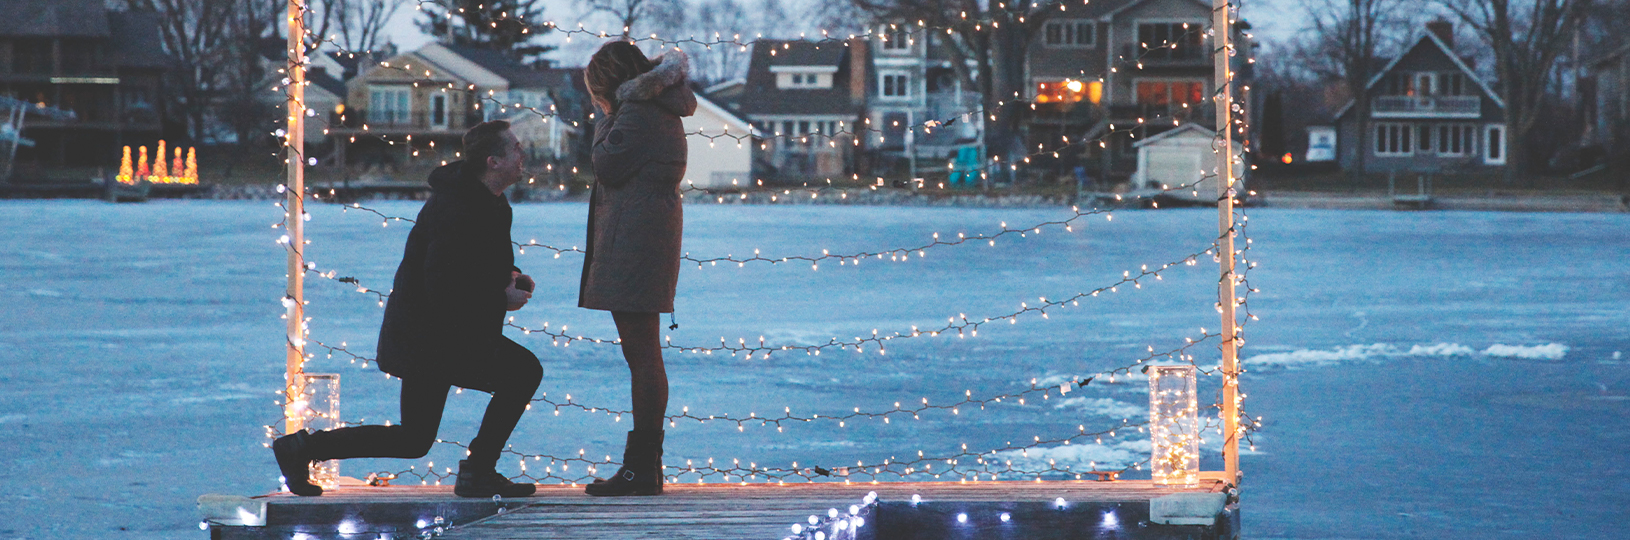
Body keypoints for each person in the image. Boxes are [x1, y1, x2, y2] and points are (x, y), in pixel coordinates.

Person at [271, 121, 542, 499]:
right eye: (515, 148)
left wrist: (509, 278)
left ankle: (302, 449)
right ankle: (478, 471)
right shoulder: (458, 207)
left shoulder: (489, 202)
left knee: (413, 438)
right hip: (431, 339)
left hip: (443, 335)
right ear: (493, 161)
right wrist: (502, 299)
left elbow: (474, 266)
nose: (523, 154)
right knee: (522, 372)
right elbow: (442, 285)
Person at [578, 42, 695, 496]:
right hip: (645, 240)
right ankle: (644, 465)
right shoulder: (656, 108)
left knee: (643, 356)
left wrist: (608, 114)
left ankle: (641, 467)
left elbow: (607, 163)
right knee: (643, 355)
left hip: (636, 245)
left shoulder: (637, 112)